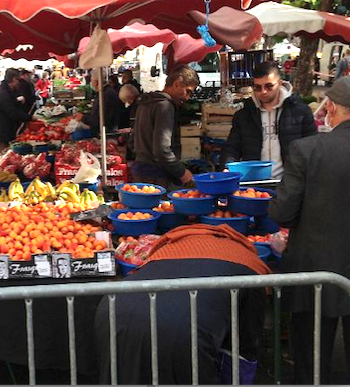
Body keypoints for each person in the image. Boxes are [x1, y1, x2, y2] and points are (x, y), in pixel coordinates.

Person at [95, 224, 270, 384]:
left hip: (113, 308)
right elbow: (243, 349)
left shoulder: (164, 250)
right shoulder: (250, 263)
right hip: (182, 329)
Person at [269, 76, 350, 384]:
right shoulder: (308, 148)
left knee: (312, 361)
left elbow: (283, 212)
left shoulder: (307, 149)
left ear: (329, 107)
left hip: (316, 266)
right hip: (328, 263)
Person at [219, 61, 317, 179]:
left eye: (269, 86)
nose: (263, 91)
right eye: (258, 87)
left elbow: (313, 148)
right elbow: (232, 147)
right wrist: (227, 166)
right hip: (254, 184)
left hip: (291, 183)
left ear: (279, 83)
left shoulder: (300, 112)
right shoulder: (244, 115)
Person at [131, 64, 198, 187]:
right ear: (177, 83)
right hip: (156, 175)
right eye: (187, 91)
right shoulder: (165, 106)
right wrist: (182, 172)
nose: (187, 97)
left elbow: (133, 140)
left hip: (140, 170)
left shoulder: (147, 102)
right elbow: (162, 150)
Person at [0, 68, 33, 167]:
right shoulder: (3, 93)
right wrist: (30, 118)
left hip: (3, 134)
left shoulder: (7, 91)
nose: (20, 83)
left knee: (2, 164)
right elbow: (12, 113)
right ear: (14, 79)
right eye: (18, 80)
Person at [74, 69, 123, 135]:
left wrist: (83, 117)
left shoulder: (106, 95)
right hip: (103, 129)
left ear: (96, 82)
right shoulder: (104, 92)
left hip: (106, 132)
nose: (91, 83)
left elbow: (100, 120)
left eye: (91, 80)